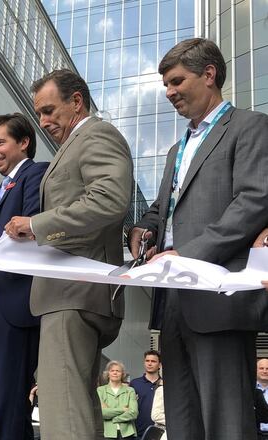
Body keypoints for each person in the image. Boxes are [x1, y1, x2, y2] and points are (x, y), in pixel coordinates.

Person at [129, 38, 268, 440]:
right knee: (181, 417)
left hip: (218, 294)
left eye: (176, 81)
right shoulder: (177, 149)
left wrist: (184, 255)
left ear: (209, 74)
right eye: (166, 85)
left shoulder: (250, 127)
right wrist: (143, 228)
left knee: (226, 421)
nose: (169, 92)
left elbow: (254, 201)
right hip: (173, 298)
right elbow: (163, 210)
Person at [5, 69, 133, 440]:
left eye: (48, 111)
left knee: (63, 411)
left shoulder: (97, 135)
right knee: (75, 407)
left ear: (76, 101)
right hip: (72, 292)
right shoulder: (76, 145)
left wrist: (37, 225)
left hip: (73, 292)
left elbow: (109, 199)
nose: (43, 122)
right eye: (39, 114)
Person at [0, 113, 47, 439]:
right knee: (4, 398)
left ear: (24, 142)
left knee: (8, 398)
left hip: (18, 300)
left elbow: (29, 226)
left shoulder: (37, 174)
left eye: (0, 142)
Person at [97, 361, 138, 439]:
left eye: (118, 371)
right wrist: (123, 409)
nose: (115, 373)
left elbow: (134, 413)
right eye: (112, 371)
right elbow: (102, 413)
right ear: (108, 373)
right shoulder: (100, 390)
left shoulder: (130, 390)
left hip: (128, 433)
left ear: (122, 374)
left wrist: (115, 418)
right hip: (107, 434)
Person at [130, 350, 161, 438]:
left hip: (159, 432)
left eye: (153, 361)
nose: (149, 364)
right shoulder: (134, 383)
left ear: (159, 365)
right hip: (137, 433)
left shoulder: (165, 386)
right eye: (147, 361)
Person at [257, 359, 268, 437]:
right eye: (261, 368)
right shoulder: (248, 390)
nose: (265, 371)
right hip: (254, 435)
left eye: (267, 369)